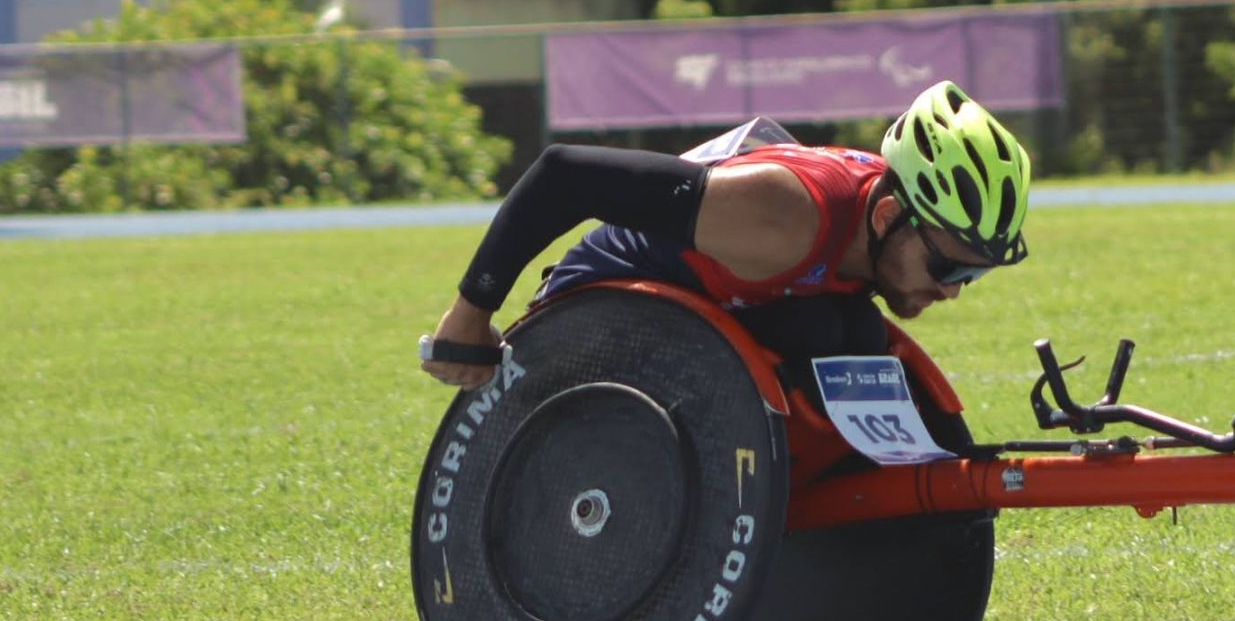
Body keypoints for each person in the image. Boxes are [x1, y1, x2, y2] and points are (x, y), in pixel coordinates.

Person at [419, 80, 1031, 391]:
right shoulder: (784, 215)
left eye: (973, 276)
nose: (952, 292)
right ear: (885, 216)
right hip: (605, 306)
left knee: (855, 335)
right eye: (950, 269)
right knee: (826, 334)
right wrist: (470, 316)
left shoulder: (884, 225)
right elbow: (563, 175)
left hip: (720, 307)